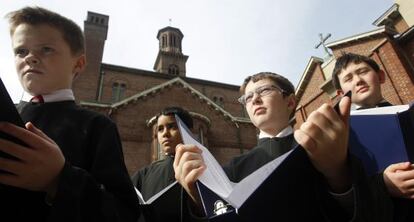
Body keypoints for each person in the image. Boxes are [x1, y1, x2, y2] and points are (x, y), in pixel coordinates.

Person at [0, 6, 139, 221]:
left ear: (79, 63)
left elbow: (125, 213)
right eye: (21, 51)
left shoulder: (97, 125)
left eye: (45, 49)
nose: (30, 58)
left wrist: (59, 179)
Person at [174, 72, 370, 221]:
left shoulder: (324, 142)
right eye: (248, 98)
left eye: (264, 91)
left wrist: (338, 172)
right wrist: (199, 201)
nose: (255, 100)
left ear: (290, 101)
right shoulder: (232, 168)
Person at [332, 52, 414, 221]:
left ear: (380, 76)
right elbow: (345, 189)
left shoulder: (410, 113)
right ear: (341, 94)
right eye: (348, 79)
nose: (358, 80)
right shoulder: (344, 135)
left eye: (362, 71)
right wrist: (382, 184)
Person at [131, 106, 193, 222]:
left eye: (172, 127)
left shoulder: (205, 169)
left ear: (188, 131)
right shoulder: (143, 175)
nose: (165, 133)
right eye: (160, 129)